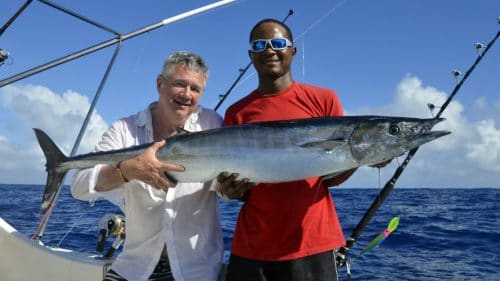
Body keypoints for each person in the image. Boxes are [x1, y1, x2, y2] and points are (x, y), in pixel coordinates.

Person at [216, 19, 361, 281]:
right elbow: (237, 189)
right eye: (259, 45)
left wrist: (362, 156)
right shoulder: (236, 112)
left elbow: (332, 176)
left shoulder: (324, 100)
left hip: (311, 243)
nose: (269, 50)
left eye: (278, 43)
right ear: (251, 55)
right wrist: (229, 190)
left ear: (293, 51)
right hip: (251, 246)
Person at [71, 51, 224, 281]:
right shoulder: (125, 129)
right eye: (179, 84)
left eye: (195, 89)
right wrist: (125, 170)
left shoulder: (212, 124)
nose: (186, 94)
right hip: (134, 268)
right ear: (160, 83)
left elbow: (222, 185)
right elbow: (79, 187)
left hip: (196, 270)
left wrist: (231, 188)